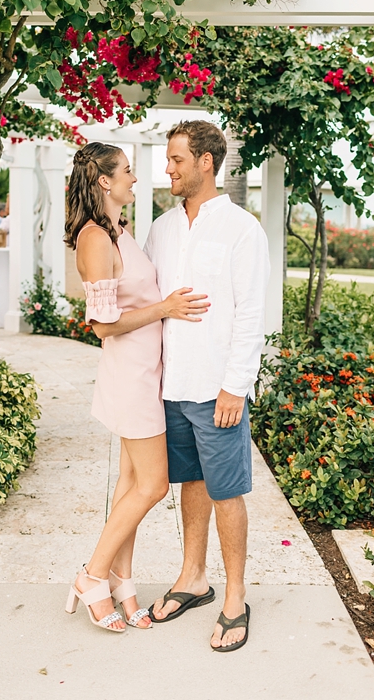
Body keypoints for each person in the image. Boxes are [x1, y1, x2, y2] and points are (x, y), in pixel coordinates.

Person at [64, 142, 210, 633]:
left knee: (130, 484)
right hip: (130, 376)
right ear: (104, 181)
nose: (135, 177)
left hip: (149, 371)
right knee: (153, 485)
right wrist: (166, 308)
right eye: (127, 170)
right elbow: (103, 325)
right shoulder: (94, 238)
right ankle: (92, 575)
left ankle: (121, 580)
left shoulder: (117, 231)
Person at [144, 120, 270, 653]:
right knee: (190, 483)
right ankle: (193, 577)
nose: (168, 168)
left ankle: (235, 596)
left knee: (226, 490)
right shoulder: (161, 228)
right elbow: (150, 302)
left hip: (218, 388)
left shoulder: (242, 229)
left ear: (205, 162)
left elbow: (251, 313)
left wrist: (236, 386)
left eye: (176, 159)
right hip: (172, 385)